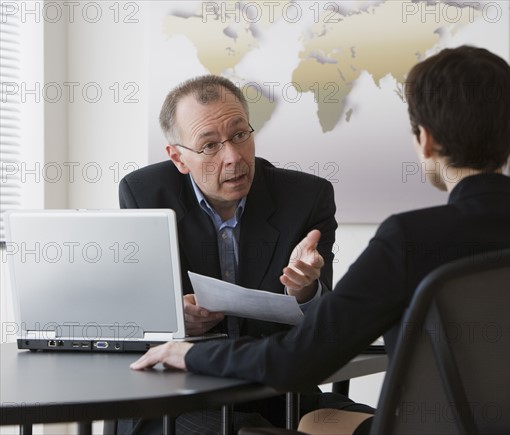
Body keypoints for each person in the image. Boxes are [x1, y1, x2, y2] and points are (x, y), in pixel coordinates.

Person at [129, 47, 510, 434]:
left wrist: (190, 350)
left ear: (426, 141)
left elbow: (299, 361)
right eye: (211, 144)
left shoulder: (410, 239)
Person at [119, 75, 371, 434]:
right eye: (209, 146)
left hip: (275, 390)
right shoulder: (144, 194)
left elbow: (320, 323)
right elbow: (133, 310)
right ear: (178, 157)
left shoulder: (305, 197)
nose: (234, 157)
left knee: (387, 422)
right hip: (180, 395)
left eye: (240, 135)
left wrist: (304, 291)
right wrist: (173, 318)